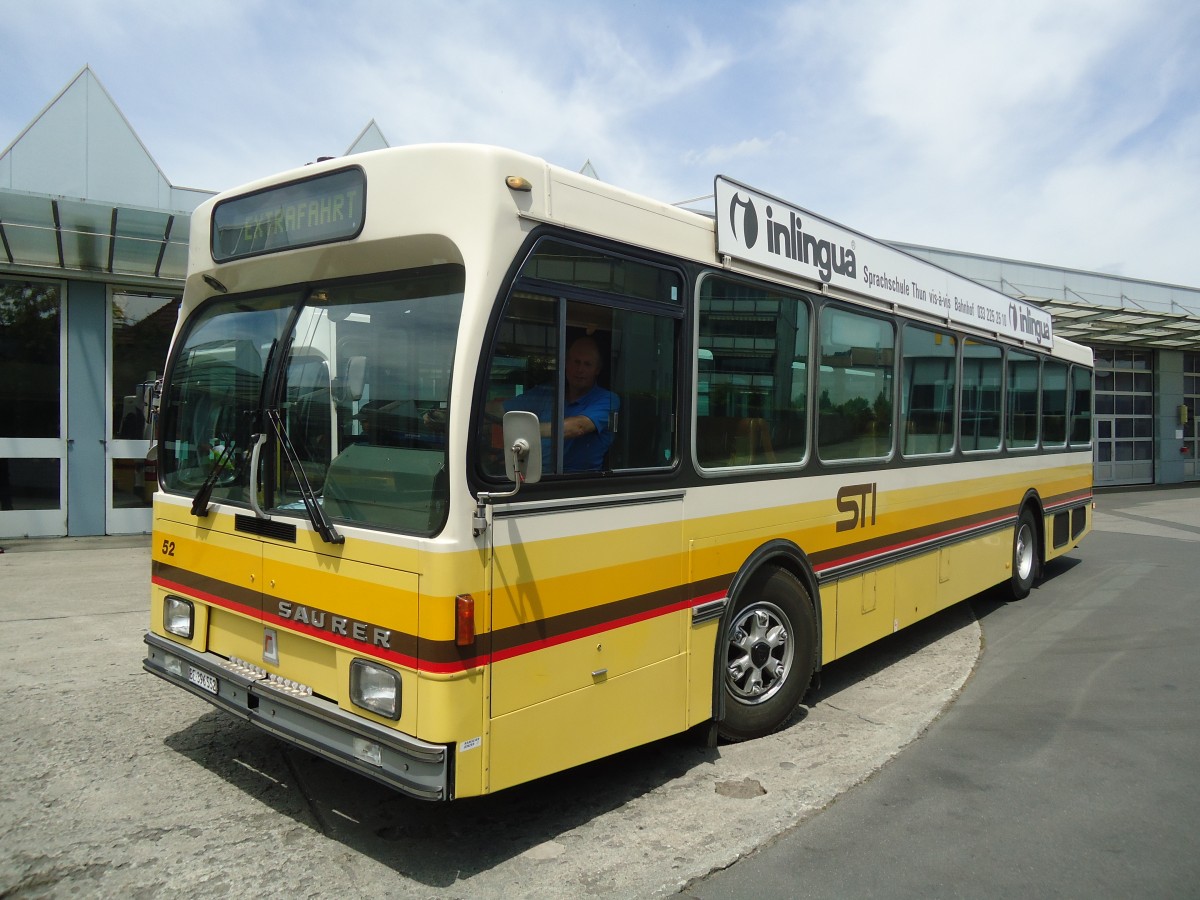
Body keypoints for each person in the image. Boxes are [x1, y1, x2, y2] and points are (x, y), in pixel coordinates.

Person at [499, 335, 619, 473]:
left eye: (587, 364)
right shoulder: (547, 392)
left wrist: (523, 431)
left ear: (597, 370)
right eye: (576, 362)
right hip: (532, 473)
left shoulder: (608, 399)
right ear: (567, 364)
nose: (580, 369)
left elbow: (578, 427)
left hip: (575, 483)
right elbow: (502, 410)